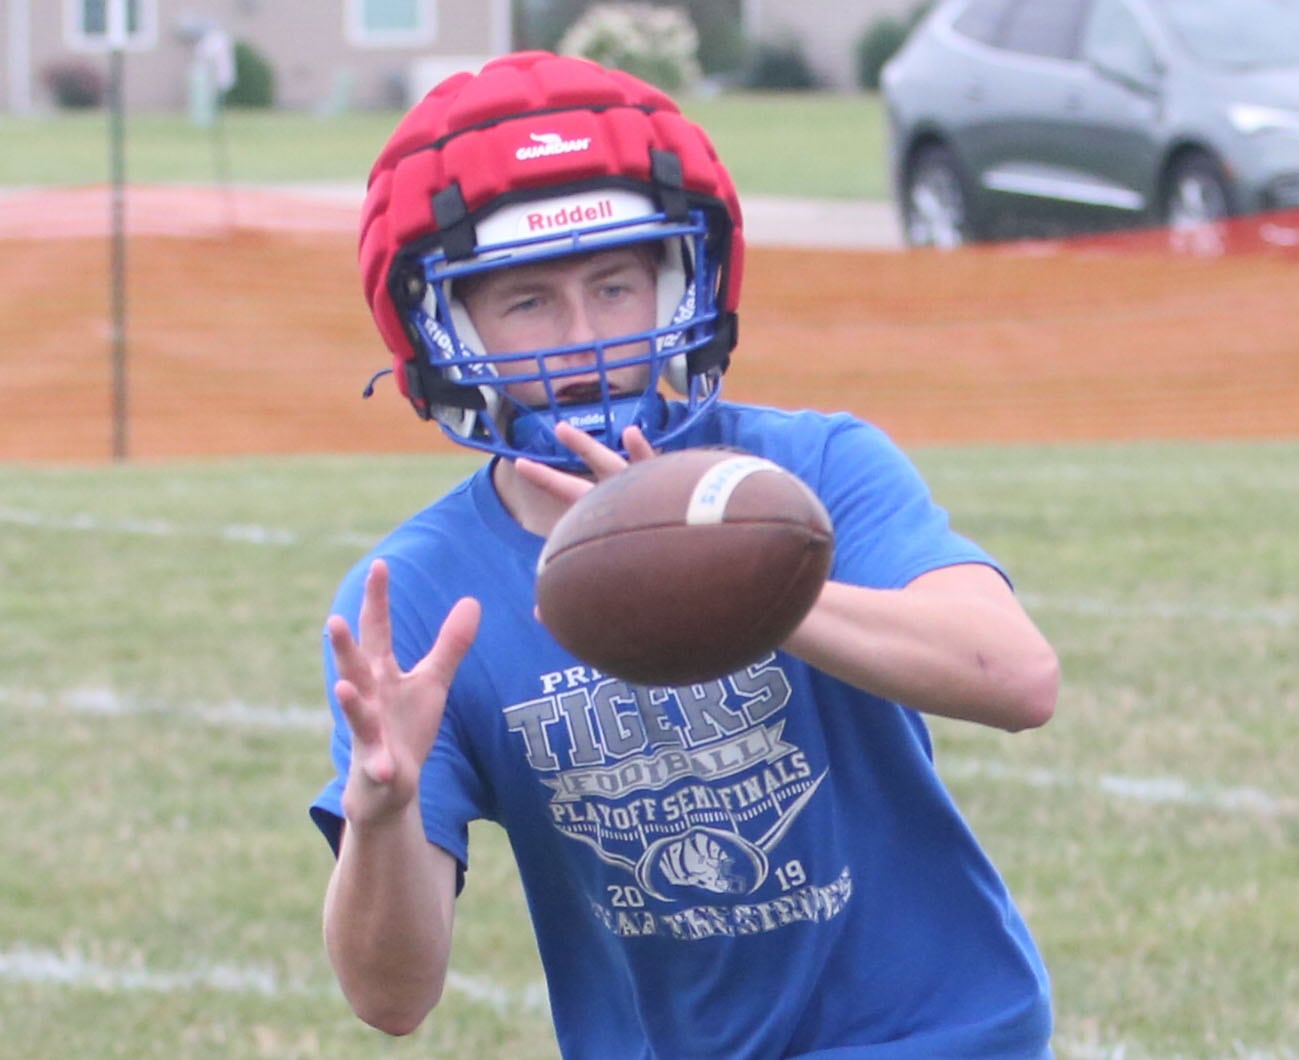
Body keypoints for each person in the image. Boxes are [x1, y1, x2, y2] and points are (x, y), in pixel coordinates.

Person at [310, 50, 1062, 1059]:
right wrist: (385, 809)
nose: (582, 340)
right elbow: (391, 997)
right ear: (447, 327)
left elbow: (1016, 677)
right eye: (527, 301)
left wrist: (744, 579)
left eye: (616, 285)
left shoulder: (814, 467)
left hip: (940, 1034)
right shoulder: (417, 599)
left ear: (676, 286)